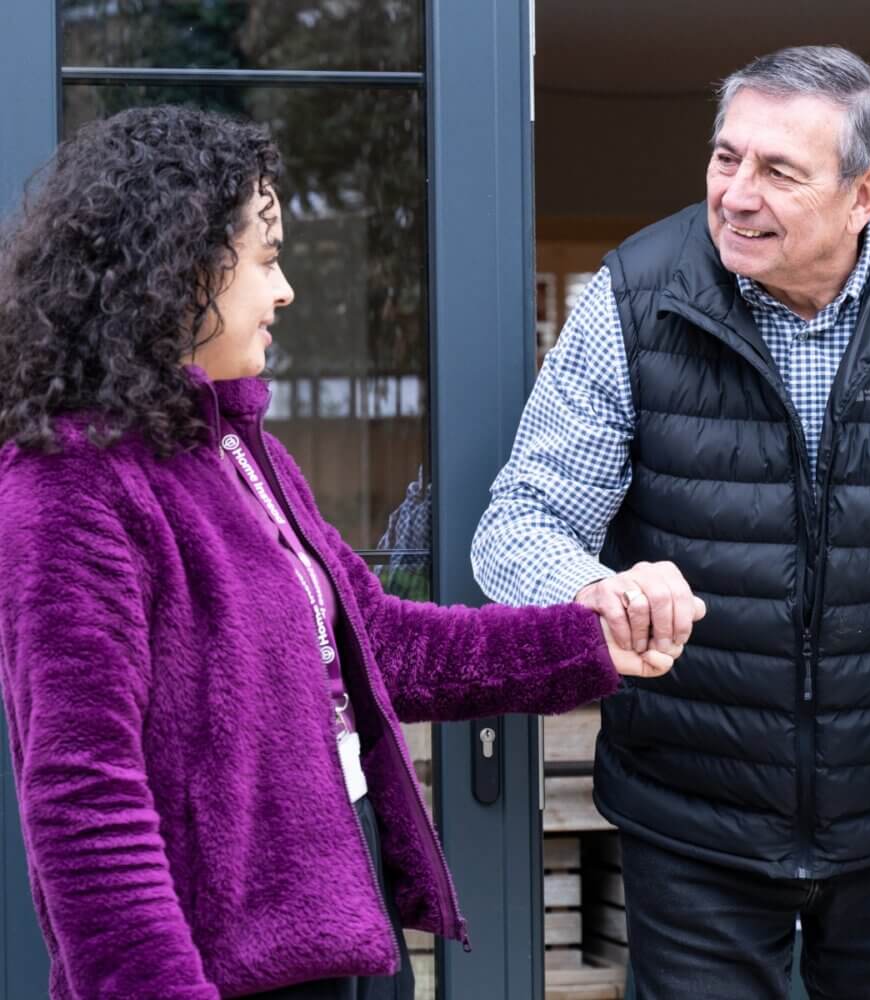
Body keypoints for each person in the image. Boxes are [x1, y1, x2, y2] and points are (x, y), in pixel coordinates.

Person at [0, 105, 672, 1000]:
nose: (284, 292)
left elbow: (379, 644)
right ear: (175, 269)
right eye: (267, 256)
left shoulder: (244, 451)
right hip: (213, 971)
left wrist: (585, 639)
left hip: (342, 932)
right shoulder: (72, 482)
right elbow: (86, 799)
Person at [472, 44, 870, 999]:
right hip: (693, 815)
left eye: (779, 171)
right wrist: (597, 589)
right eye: (726, 158)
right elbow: (516, 525)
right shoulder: (635, 295)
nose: (737, 194)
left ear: (865, 192)